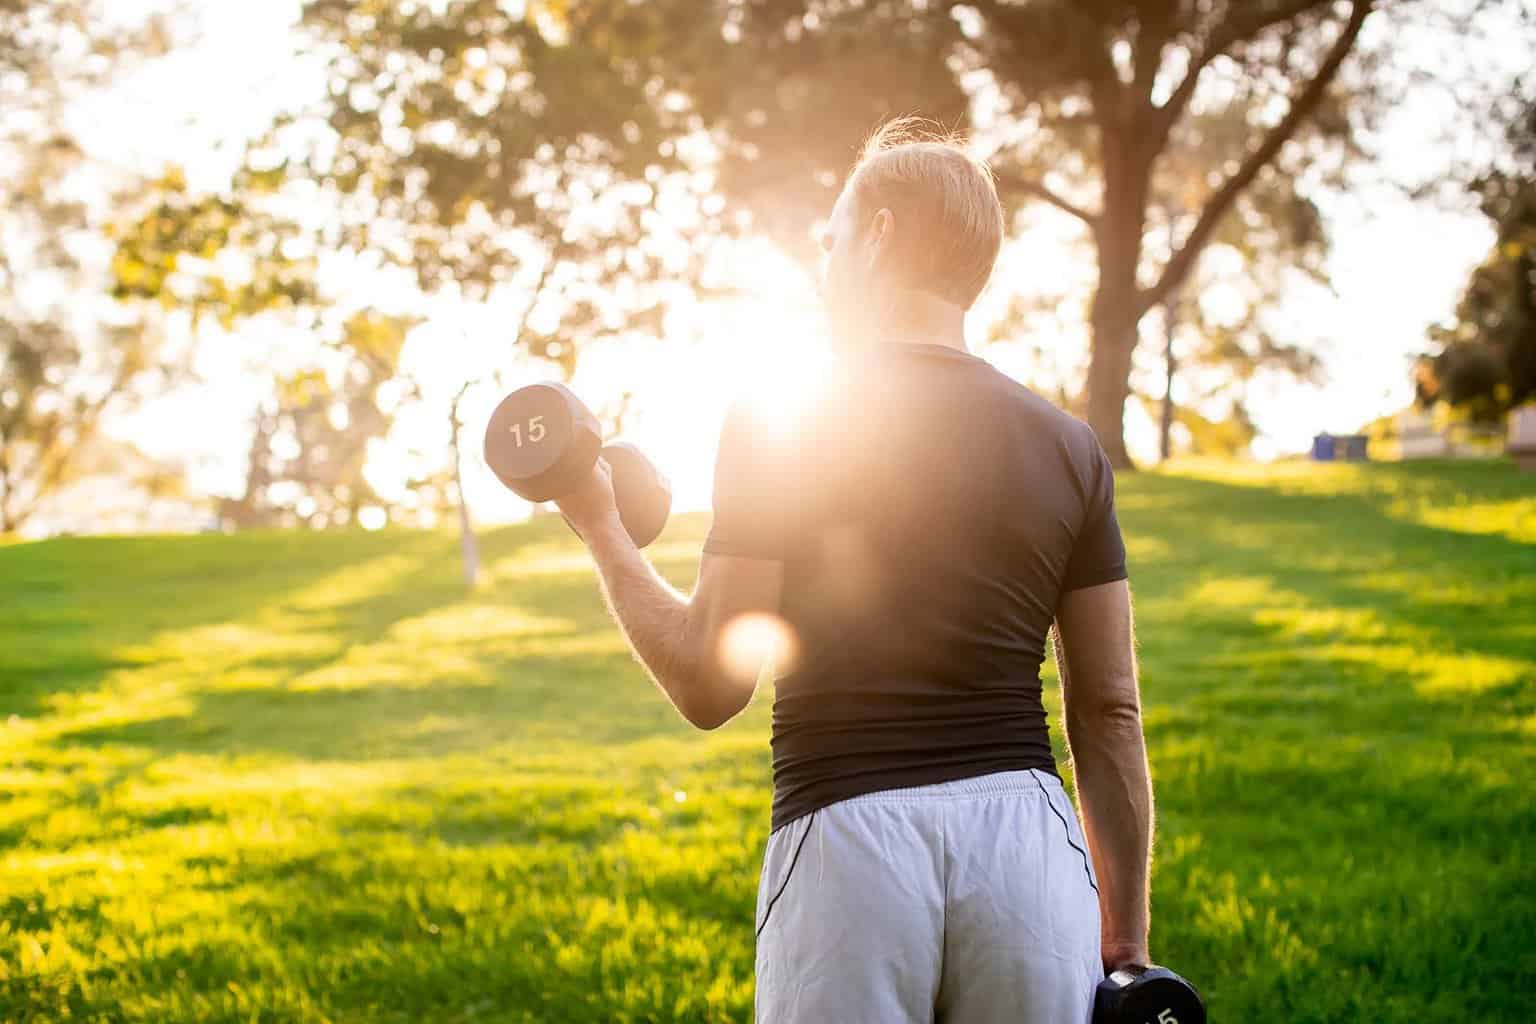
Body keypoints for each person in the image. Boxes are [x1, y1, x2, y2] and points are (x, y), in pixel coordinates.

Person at [551, 118, 1154, 1023]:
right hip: (1027, 852)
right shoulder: (1071, 447)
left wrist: (599, 528)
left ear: (876, 237)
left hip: (849, 842)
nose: (823, 264)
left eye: (832, 237)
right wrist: (1127, 946)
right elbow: (1107, 711)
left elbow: (710, 683)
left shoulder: (782, 418)